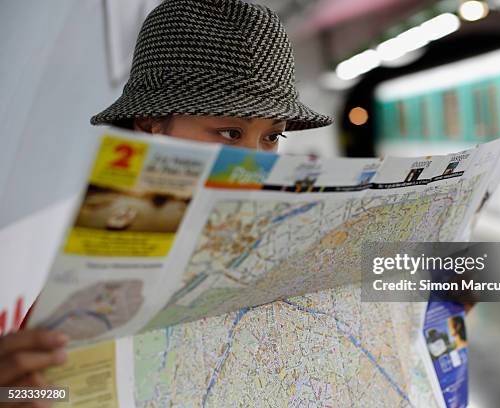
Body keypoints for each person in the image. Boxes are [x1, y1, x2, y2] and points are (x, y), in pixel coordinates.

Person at [0, 0, 332, 397]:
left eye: (272, 136)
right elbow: (42, 395)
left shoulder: (291, 254)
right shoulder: (82, 297)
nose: (256, 162)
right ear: (150, 125)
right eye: (229, 133)